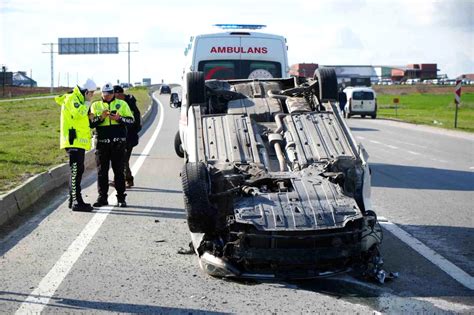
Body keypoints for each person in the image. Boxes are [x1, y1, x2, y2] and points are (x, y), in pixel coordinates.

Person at [90, 83, 134, 207]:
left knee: (119, 171)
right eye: (105, 93)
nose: (108, 96)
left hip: (118, 143)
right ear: (102, 93)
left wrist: (119, 119)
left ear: (113, 93)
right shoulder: (95, 105)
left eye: (110, 93)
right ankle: (102, 198)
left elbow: (131, 121)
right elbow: (92, 124)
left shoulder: (122, 104)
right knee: (101, 172)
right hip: (102, 144)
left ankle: (121, 198)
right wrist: (101, 118)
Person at [55, 78, 97, 212]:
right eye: (91, 93)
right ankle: (77, 202)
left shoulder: (80, 100)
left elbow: (81, 117)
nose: (92, 95)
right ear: (85, 92)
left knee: (79, 170)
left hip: (79, 141)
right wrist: (87, 102)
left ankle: (73, 199)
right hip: (73, 141)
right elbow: (78, 114)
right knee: (75, 171)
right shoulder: (72, 98)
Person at [113, 85, 141, 188]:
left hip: (129, 137)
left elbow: (135, 121)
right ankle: (126, 180)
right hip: (122, 136)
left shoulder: (128, 104)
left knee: (123, 160)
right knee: (122, 160)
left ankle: (127, 180)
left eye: (114, 95)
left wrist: (131, 132)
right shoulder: (121, 103)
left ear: (119, 94)